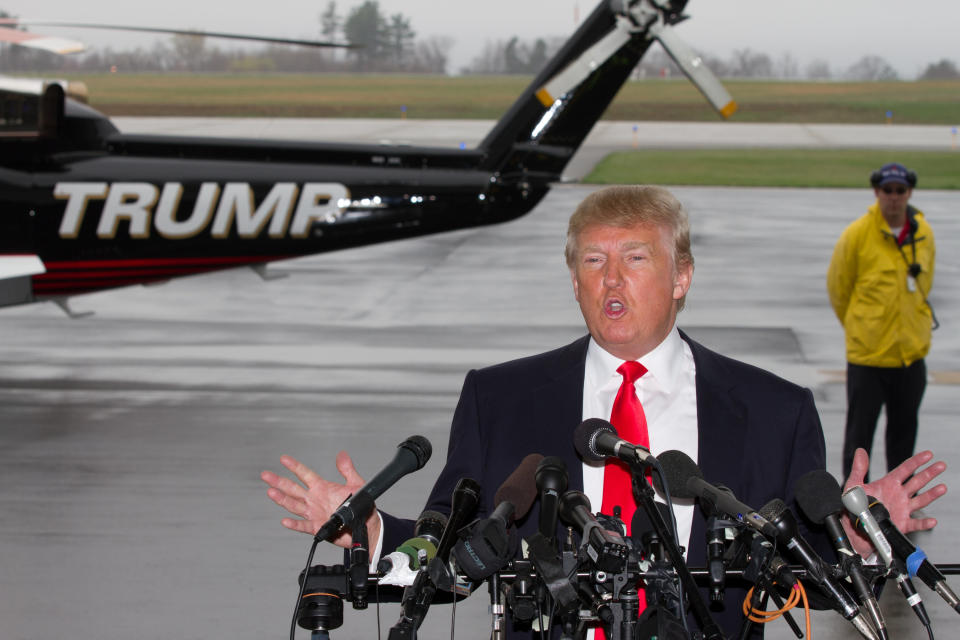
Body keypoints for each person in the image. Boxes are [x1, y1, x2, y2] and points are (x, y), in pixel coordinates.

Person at [264, 185, 946, 638]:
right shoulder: (500, 400)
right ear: (574, 280)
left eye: (635, 258)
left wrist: (859, 542)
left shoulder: (773, 411)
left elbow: (811, 578)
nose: (611, 279)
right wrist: (377, 530)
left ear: (681, 277)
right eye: (593, 260)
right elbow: (452, 558)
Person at [828, 163, 936, 480]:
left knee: (904, 436)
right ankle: (854, 496)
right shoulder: (857, 235)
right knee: (859, 439)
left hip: (909, 356)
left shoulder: (924, 234)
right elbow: (839, 289)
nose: (893, 197)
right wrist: (861, 327)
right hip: (869, 357)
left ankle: (901, 499)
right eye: (887, 190)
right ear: (877, 193)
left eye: (899, 191)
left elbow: (924, 286)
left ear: (909, 193)